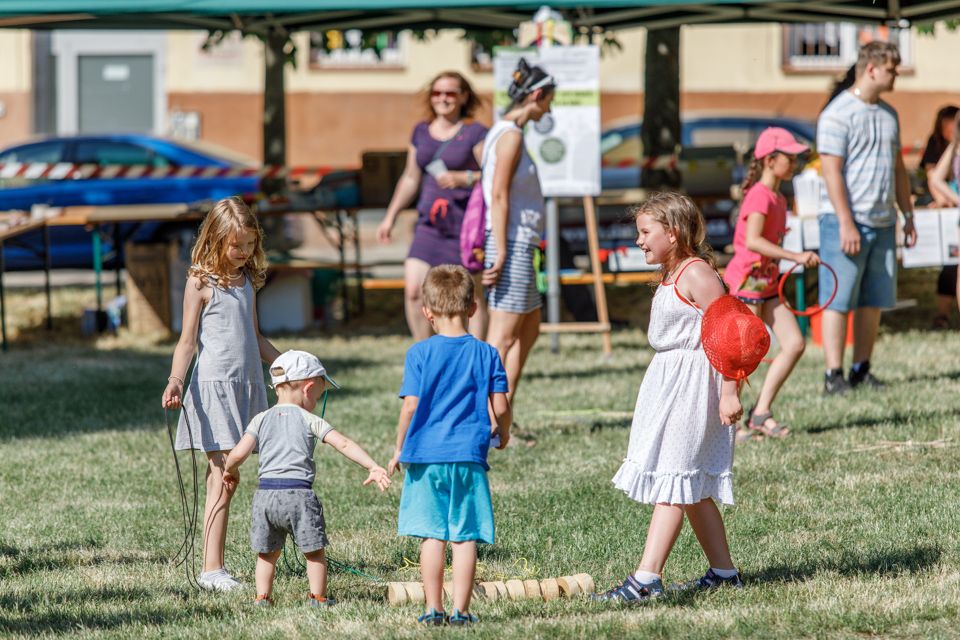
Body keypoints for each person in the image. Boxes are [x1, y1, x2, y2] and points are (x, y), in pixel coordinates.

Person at [595, 192, 744, 603]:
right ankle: (724, 573)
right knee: (691, 488)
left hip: (696, 387)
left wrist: (729, 392)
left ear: (673, 233)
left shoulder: (697, 274)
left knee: (673, 481)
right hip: (672, 385)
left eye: (646, 232)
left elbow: (731, 333)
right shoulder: (672, 274)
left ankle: (646, 579)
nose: (639, 241)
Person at [161, 196, 282, 592]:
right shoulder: (200, 281)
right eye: (236, 246)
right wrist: (176, 381)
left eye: (249, 245)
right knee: (223, 476)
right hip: (213, 391)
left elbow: (255, 337)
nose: (243, 252)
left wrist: (288, 366)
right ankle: (211, 570)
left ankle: (216, 567)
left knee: (230, 476)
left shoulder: (246, 281)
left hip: (245, 386)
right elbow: (186, 343)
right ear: (215, 238)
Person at [387, 264, 512, 626]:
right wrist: (502, 432)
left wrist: (398, 449)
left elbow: (409, 406)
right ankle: (462, 610)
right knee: (465, 535)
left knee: (432, 535)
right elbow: (500, 405)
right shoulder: (487, 353)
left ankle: (433, 609)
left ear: (427, 312)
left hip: (425, 458)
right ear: (473, 308)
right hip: (469, 457)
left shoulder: (419, 354)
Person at [222, 350, 391, 607]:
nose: (316, 401)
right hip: (299, 495)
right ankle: (318, 597)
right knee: (314, 553)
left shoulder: (260, 419)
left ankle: (262, 597)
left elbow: (237, 454)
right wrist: (372, 466)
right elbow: (343, 444)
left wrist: (230, 471)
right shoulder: (309, 419)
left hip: (265, 496)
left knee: (266, 555)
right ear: (309, 387)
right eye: (318, 396)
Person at [816, 41, 917, 395]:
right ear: (871, 69)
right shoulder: (836, 114)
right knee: (839, 299)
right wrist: (845, 222)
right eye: (891, 69)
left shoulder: (889, 114)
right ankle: (833, 375)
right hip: (845, 223)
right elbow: (832, 173)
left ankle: (861, 369)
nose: (895, 75)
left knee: (873, 300)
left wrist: (908, 214)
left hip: (883, 221)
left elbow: (899, 170)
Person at [377, 71, 489, 341]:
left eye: (450, 93)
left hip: (464, 228)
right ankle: (424, 353)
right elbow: (410, 177)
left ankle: (476, 355)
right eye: (437, 93)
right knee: (414, 290)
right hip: (429, 226)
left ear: (463, 96)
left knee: (471, 296)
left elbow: (494, 175)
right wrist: (390, 217)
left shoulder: (475, 132)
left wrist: (465, 177)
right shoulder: (420, 131)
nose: (443, 98)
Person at [724, 128, 820, 439]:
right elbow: (752, 241)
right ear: (769, 160)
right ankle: (729, 421)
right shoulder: (759, 196)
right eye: (788, 158)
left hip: (767, 285)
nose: (794, 163)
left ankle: (761, 412)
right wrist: (794, 255)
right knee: (744, 357)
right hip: (747, 285)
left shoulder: (778, 197)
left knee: (794, 343)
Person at [482, 58, 555, 413]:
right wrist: (500, 250)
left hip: (521, 243)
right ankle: (481, 417)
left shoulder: (505, 133)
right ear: (537, 95)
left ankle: (502, 412)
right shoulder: (509, 135)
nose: (550, 108)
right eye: (549, 99)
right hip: (511, 243)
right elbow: (497, 195)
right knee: (502, 337)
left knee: (529, 329)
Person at [919, 105, 959, 329]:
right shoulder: (940, 146)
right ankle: (943, 314)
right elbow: (934, 179)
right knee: (952, 264)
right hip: (949, 213)